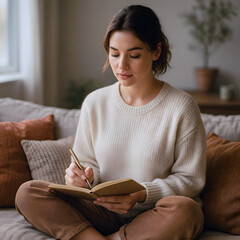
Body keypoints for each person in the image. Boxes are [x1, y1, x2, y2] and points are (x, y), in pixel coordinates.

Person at [15, 5, 206, 240]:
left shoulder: (182, 107)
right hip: (101, 211)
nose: (121, 66)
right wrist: (80, 177)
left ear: (156, 51)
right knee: (28, 192)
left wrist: (141, 194)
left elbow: (190, 180)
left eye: (134, 55)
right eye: (114, 54)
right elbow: (86, 161)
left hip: (154, 213)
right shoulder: (95, 102)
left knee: (188, 212)